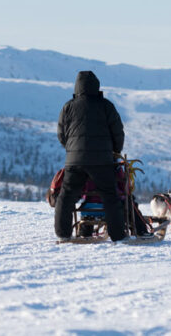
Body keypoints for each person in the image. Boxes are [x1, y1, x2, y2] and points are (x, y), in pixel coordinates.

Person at [54, 71, 127, 242]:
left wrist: (72, 150)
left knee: (66, 196)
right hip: (102, 161)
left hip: (74, 161)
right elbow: (118, 132)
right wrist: (114, 151)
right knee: (110, 196)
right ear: (96, 86)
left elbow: (61, 134)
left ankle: (63, 233)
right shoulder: (106, 106)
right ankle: (118, 235)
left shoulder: (68, 107)